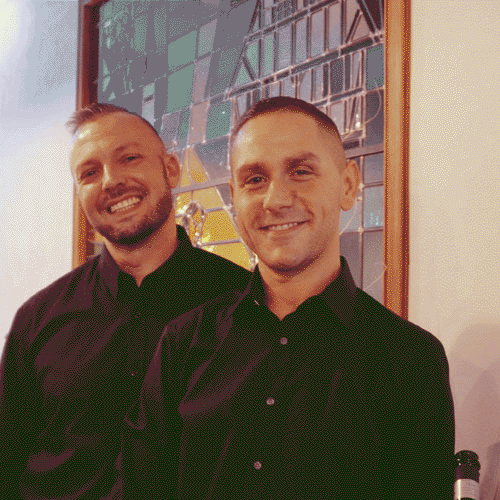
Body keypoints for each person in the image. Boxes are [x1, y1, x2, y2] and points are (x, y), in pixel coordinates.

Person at [121, 97, 455, 500]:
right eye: (255, 179)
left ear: (348, 185)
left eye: (300, 171)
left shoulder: (411, 359)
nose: (276, 199)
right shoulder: (183, 343)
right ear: (235, 197)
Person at [0, 103, 250, 500]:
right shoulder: (38, 318)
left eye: (129, 158)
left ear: (171, 169)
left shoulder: (243, 303)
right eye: (89, 173)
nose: (111, 181)